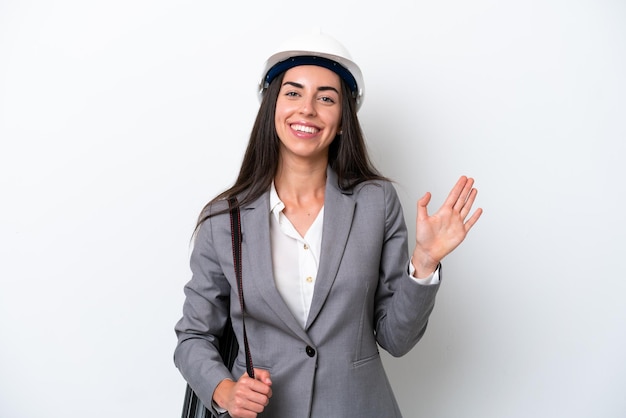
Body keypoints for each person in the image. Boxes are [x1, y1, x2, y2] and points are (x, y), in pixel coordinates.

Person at [174, 30, 482, 418]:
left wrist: (423, 262)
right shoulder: (225, 219)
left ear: (341, 122)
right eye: (293, 92)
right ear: (272, 109)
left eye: (325, 97)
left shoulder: (376, 203)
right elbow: (193, 336)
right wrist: (224, 390)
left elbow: (395, 338)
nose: (307, 109)